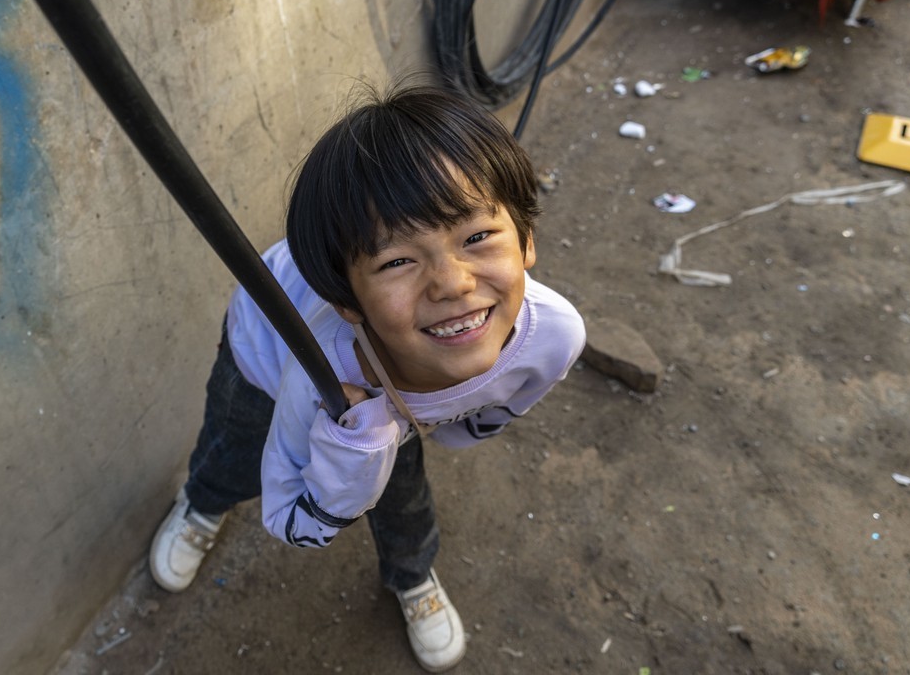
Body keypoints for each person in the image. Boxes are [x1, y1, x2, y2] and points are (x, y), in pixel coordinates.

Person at [149, 82, 586, 672]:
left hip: (391, 398)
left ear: (527, 239)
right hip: (268, 353)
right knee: (234, 445)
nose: (452, 283)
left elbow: (495, 408)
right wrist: (353, 455)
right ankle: (202, 503)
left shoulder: (555, 333)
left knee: (404, 495)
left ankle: (412, 575)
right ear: (347, 301)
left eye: (477, 236)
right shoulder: (326, 373)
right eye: (396, 261)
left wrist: (440, 430)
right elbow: (289, 521)